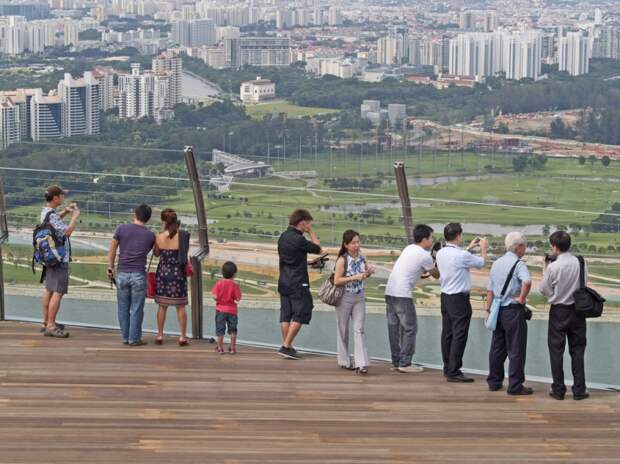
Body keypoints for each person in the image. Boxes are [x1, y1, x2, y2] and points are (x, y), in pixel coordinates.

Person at [539, 231, 590, 401]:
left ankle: (559, 390)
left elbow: (544, 289)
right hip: (578, 311)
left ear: (554, 247)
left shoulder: (553, 266)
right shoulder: (581, 262)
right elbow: (585, 283)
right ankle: (579, 389)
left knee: (556, 351)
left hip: (558, 311)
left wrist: (545, 268)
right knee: (577, 351)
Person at [435, 223, 488, 383]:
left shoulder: (441, 252)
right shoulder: (461, 256)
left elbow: (457, 259)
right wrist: (483, 248)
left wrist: (469, 247)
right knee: (460, 334)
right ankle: (454, 370)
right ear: (458, 235)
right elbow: (481, 263)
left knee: (447, 333)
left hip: (445, 297)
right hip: (459, 299)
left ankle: (447, 367)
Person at [384, 224, 439, 373]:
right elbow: (436, 274)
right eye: (431, 238)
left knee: (394, 329)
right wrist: (436, 259)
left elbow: (415, 270)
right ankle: (405, 363)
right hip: (402, 294)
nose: (432, 240)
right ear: (424, 239)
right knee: (410, 328)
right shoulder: (424, 255)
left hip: (390, 291)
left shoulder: (408, 248)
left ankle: (397, 361)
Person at [486, 232, 533, 395]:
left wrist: (488, 310)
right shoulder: (519, 264)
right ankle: (515, 385)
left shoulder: (496, 263)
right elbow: (527, 281)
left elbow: (490, 291)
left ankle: (494, 381)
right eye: (524, 246)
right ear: (519, 246)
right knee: (516, 349)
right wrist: (521, 298)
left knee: (497, 348)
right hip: (513, 311)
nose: (525, 249)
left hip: (497, 310)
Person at [277, 208, 322, 360]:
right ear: (302, 222)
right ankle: (285, 346)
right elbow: (318, 248)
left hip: (284, 280)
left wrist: (306, 262)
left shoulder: (282, 237)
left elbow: (291, 259)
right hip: (297, 282)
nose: (309, 226)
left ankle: (287, 346)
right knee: (303, 311)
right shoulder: (300, 239)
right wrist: (311, 232)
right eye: (308, 223)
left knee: (286, 314)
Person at [107, 204, 155, 346]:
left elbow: (112, 249)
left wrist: (110, 267)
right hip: (139, 275)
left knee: (123, 307)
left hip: (122, 273)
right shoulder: (150, 235)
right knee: (136, 308)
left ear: (135, 214)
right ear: (148, 218)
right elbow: (157, 252)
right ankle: (134, 338)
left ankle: (125, 337)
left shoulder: (122, 229)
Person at [40, 185, 79, 338]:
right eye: (62, 195)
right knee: (58, 291)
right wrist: (75, 216)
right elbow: (66, 232)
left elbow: (53, 223)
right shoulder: (52, 216)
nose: (64, 197)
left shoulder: (46, 212)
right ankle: (51, 325)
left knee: (49, 289)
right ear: (56, 198)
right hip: (59, 258)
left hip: (49, 257)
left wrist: (66, 211)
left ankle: (46, 322)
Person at [333, 230, 374, 374]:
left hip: (359, 296)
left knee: (359, 329)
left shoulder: (362, 256)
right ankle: (344, 360)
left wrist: (367, 273)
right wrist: (354, 277)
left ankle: (361, 363)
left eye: (358, 241)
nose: (357, 245)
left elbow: (363, 275)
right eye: (353, 243)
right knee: (343, 329)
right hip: (344, 296)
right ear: (346, 245)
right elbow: (337, 280)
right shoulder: (342, 259)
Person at [153, 209, 191, 346]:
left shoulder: (159, 236)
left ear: (163, 222)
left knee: (162, 306)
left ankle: (160, 334)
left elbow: (156, 253)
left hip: (163, 273)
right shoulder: (184, 235)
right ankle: (182, 336)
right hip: (178, 274)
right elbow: (184, 253)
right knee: (180, 306)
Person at [212, 261, 242, 354]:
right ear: (234, 274)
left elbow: (215, 296)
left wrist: (219, 298)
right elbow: (238, 299)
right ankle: (232, 348)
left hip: (220, 310)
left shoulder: (219, 283)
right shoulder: (235, 285)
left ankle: (220, 348)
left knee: (220, 330)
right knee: (233, 330)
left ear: (222, 272)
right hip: (232, 311)